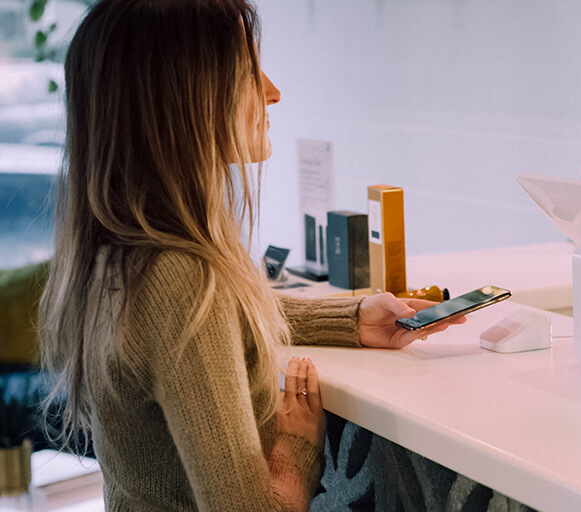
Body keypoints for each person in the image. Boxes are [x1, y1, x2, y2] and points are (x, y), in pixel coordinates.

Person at [37, 1, 465, 510]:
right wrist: (299, 450)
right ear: (184, 97)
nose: (273, 92)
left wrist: (352, 319)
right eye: (247, 71)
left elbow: (219, 322)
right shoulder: (182, 279)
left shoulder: (122, 253)